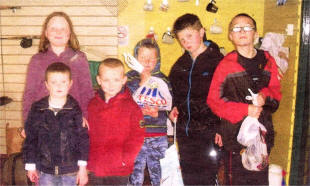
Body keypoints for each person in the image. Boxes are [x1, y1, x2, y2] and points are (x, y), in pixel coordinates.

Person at [207, 13, 282, 185]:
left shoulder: (268, 60)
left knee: (260, 179)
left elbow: (276, 94)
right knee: (237, 180)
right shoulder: (225, 65)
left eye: (247, 27)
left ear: (256, 34)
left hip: (262, 136)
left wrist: (265, 96)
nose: (242, 31)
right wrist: (245, 110)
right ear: (230, 36)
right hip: (235, 139)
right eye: (236, 28)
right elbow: (214, 101)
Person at [168, 13, 224, 185]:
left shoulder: (218, 61)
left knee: (207, 177)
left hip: (210, 133)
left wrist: (222, 128)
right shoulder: (179, 65)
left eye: (189, 36)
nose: (186, 42)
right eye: (181, 39)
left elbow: (227, 97)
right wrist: (173, 108)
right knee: (188, 176)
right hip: (185, 132)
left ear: (201, 32)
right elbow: (174, 94)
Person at [23, 11, 94, 131]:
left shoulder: (80, 58)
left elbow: (86, 92)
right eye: (53, 28)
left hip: (72, 121)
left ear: (69, 33)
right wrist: (27, 122)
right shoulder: (36, 60)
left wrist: (85, 116)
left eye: (63, 28)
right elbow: (29, 94)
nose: (58, 32)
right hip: (43, 123)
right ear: (46, 33)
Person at [23, 62, 89, 186]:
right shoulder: (37, 109)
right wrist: (31, 165)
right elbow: (31, 139)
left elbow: (83, 141)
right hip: (45, 170)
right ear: (47, 85)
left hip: (70, 170)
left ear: (70, 84)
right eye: (54, 82)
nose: (59, 86)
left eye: (63, 82)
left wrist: (82, 168)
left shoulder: (75, 110)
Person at [87, 58, 145, 185]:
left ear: (123, 80)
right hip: (96, 167)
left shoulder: (132, 107)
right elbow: (87, 133)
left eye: (116, 80)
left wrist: (126, 159)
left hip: (119, 168)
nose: (111, 84)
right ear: (99, 80)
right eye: (106, 80)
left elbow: (137, 137)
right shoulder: (92, 105)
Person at [127, 38, 172, 186]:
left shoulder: (163, 79)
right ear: (135, 59)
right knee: (135, 174)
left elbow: (169, 105)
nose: (147, 62)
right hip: (135, 135)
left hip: (158, 135)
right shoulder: (129, 79)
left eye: (151, 58)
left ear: (157, 60)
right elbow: (125, 104)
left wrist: (158, 113)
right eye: (142, 58)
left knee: (159, 174)